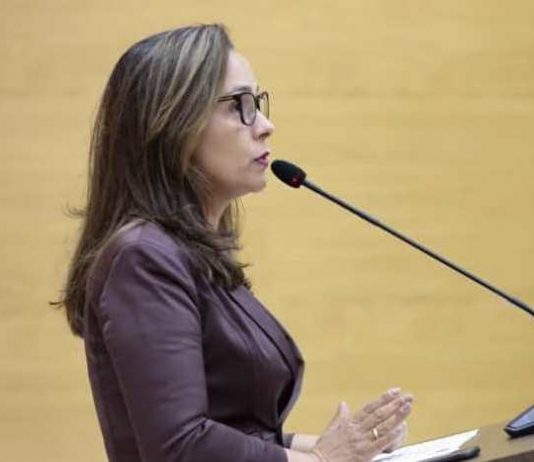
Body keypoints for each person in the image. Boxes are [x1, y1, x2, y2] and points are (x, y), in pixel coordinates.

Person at [59, 23, 413, 462]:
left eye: (258, 104)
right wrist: (322, 460)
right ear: (173, 124)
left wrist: (349, 446)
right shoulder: (143, 258)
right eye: (240, 106)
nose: (265, 126)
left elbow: (238, 434)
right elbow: (180, 448)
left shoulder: (188, 254)